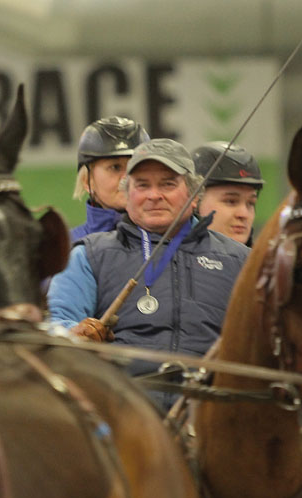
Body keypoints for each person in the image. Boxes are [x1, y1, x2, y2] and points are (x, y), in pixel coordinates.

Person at [47, 138, 249, 411]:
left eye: (168, 183)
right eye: (143, 185)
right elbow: (53, 324)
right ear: (128, 194)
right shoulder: (90, 255)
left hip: (215, 412)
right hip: (122, 411)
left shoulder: (239, 260)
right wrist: (74, 335)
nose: (154, 195)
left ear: (194, 193)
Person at [71, 116, 150, 241]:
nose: (127, 178)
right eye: (115, 167)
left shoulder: (171, 239)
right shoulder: (68, 248)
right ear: (87, 181)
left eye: (135, 166)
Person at [191, 141, 264, 246]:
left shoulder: (266, 262)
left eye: (251, 203)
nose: (244, 214)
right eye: (231, 201)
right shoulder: (165, 258)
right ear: (194, 202)